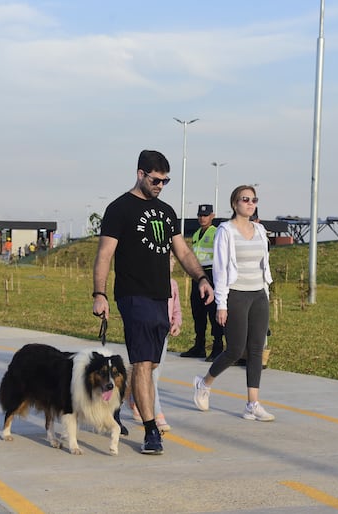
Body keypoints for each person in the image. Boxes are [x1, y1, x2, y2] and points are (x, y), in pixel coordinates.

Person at [92, 149, 214, 455]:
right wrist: (100, 293)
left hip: (161, 296)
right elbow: (105, 254)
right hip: (133, 295)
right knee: (144, 363)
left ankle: (124, 401)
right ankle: (151, 430)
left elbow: (183, 252)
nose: (160, 185)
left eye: (165, 181)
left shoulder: (167, 211)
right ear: (140, 174)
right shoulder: (119, 209)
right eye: (156, 179)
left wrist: (201, 279)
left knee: (151, 364)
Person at [193, 185, 275, 421]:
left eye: (253, 199)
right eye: (245, 199)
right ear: (234, 204)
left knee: (257, 350)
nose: (250, 203)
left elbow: (264, 264)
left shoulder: (260, 230)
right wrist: (221, 304)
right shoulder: (225, 231)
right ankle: (204, 383)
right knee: (235, 349)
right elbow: (219, 269)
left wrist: (266, 292)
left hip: (258, 294)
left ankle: (253, 404)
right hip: (236, 294)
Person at [128, 255, 181, 432]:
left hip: (163, 332)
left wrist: (176, 323)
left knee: (152, 370)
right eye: (166, 261)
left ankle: (136, 398)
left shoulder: (173, 284)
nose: (170, 264)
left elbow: (176, 308)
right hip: (147, 329)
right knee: (153, 375)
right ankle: (157, 415)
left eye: (172, 261)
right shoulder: (148, 282)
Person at [181, 204, 224, 361]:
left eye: (205, 215)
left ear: (212, 216)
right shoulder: (197, 233)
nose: (202, 218)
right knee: (197, 312)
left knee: (213, 312)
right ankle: (199, 346)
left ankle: (218, 346)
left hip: (212, 273)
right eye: (200, 215)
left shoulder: (216, 232)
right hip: (198, 274)